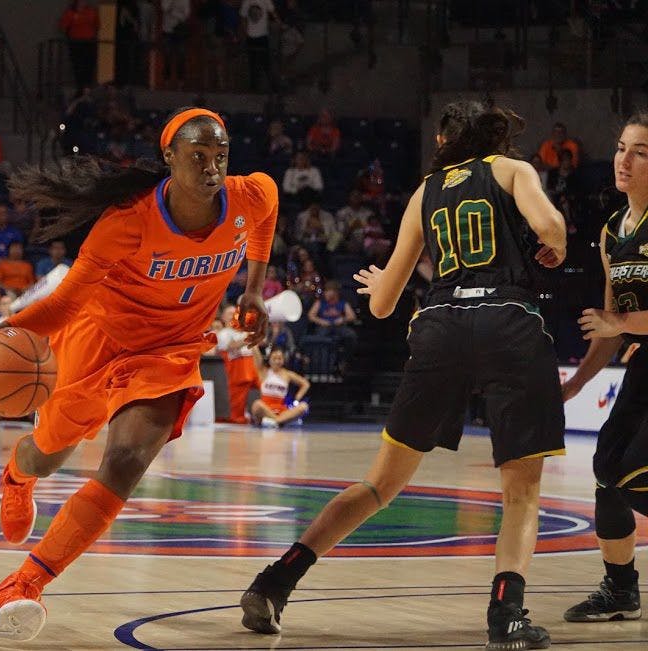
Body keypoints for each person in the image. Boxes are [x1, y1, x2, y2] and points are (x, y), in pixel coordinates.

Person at [240, 100, 567, 650]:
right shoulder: (513, 170)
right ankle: (506, 616)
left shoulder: (425, 192)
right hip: (508, 321)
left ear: (447, 141)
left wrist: (376, 287)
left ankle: (275, 581)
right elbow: (551, 226)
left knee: (380, 484)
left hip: (440, 325)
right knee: (521, 492)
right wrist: (552, 246)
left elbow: (385, 306)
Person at [0, 107, 276, 641]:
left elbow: (264, 222)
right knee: (49, 453)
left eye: (220, 156)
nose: (212, 167)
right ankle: (17, 474)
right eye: (198, 156)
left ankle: (22, 586)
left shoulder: (253, 194)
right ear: (170, 158)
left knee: (126, 461)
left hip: (169, 353)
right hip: (98, 340)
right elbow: (62, 306)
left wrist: (251, 289)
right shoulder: (127, 222)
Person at [560, 111, 648, 624]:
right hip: (642, 364)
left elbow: (618, 322)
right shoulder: (612, 231)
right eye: (620, 148)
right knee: (607, 473)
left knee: (636, 476)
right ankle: (620, 590)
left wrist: (623, 325)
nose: (624, 158)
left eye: (639, 151)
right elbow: (608, 328)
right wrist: (570, 387)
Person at [216, 304, 260, 424]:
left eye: (235, 313)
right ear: (223, 318)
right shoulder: (223, 333)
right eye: (230, 313)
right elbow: (231, 346)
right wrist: (249, 336)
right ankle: (236, 418)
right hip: (236, 369)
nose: (234, 315)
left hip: (251, 367)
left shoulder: (243, 332)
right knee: (236, 401)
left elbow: (255, 353)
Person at [249, 346, 308, 428]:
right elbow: (256, 354)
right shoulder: (263, 371)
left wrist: (298, 397)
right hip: (265, 408)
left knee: (303, 406)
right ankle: (282, 421)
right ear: (269, 359)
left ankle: (275, 421)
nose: (277, 361)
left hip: (281, 409)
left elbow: (305, 384)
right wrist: (253, 341)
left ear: (283, 360)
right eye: (274, 358)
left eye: (279, 358)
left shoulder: (287, 374)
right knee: (257, 404)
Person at [240, 0, 278, 93]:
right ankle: (253, 86)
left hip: (262, 35)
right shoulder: (247, 1)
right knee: (252, 62)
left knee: (266, 62)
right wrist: (244, 34)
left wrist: (279, 23)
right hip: (250, 36)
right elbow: (243, 18)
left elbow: (273, 13)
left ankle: (272, 85)